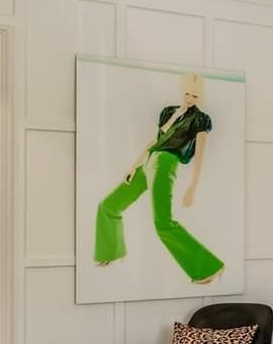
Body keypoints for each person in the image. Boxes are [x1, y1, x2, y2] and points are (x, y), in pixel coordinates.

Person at [93, 72, 223, 284]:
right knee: (108, 205)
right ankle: (111, 251)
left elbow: (200, 155)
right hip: (149, 161)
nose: (189, 98)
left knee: (163, 223)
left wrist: (193, 186)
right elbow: (156, 140)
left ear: (201, 97)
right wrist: (134, 165)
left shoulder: (200, 119)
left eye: (195, 96)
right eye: (187, 93)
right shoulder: (169, 112)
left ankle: (209, 267)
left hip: (165, 163)